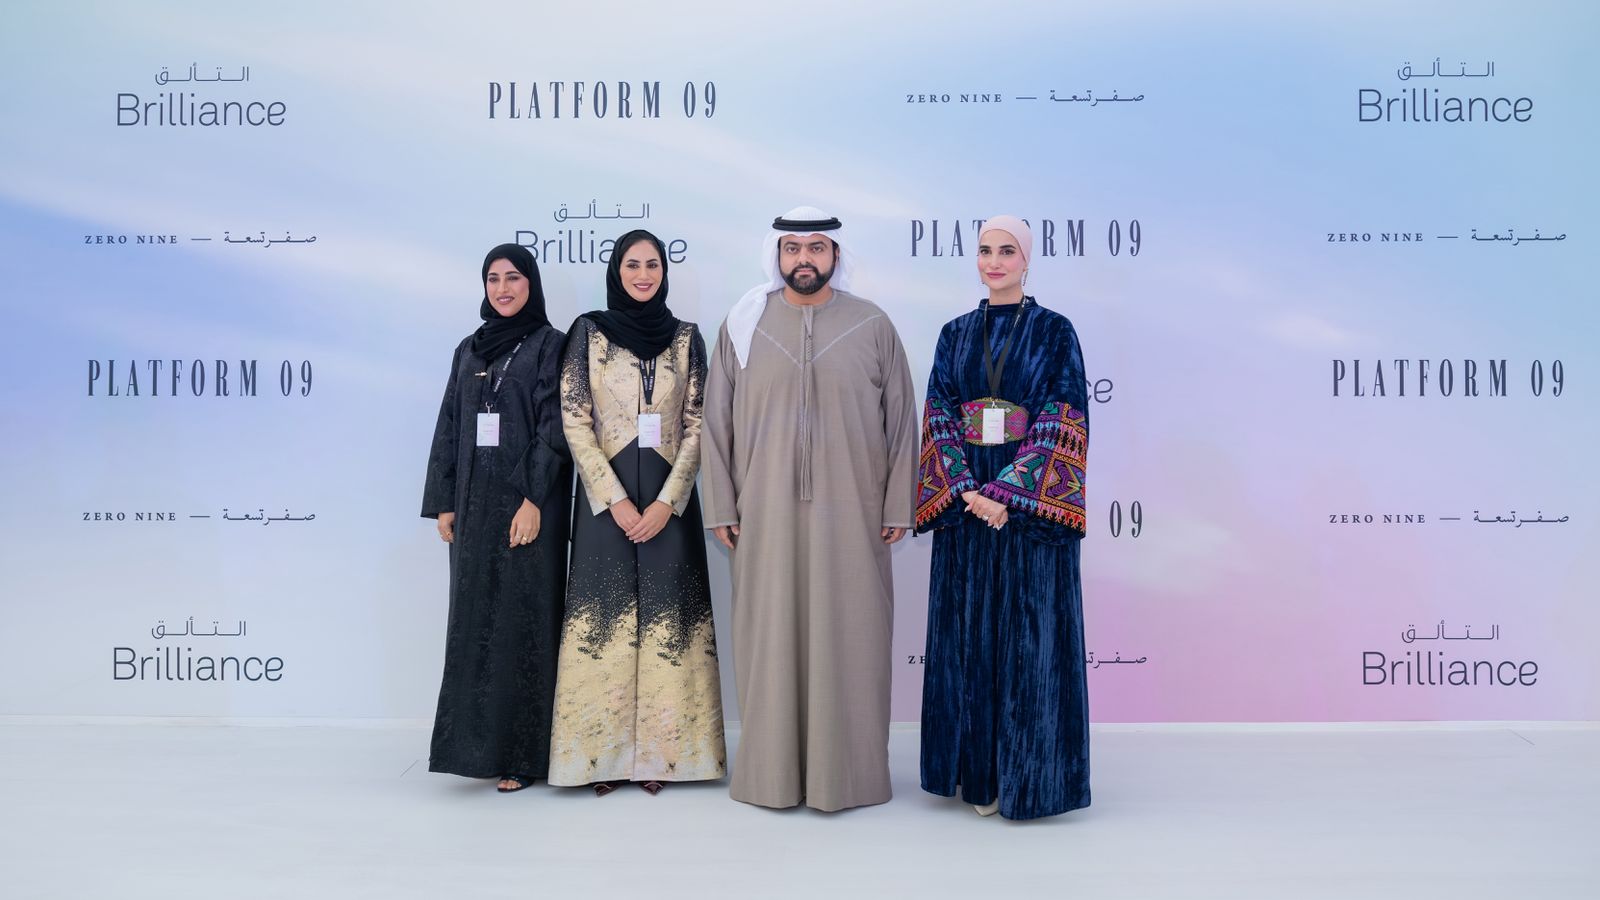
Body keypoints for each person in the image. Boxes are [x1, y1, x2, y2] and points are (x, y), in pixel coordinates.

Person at [700, 206, 919, 812]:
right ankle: (770, 776)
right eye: (793, 248)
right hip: (763, 513)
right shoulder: (743, 325)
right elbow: (715, 425)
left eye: (817, 247)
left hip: (855, 513)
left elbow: (903, 422)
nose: (804, 259)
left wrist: (898, 503)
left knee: (854, 639)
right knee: (769, 638)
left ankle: (849, 778)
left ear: (835, 256)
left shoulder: (872, 324)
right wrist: (719, 504)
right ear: (777, 255)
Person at [914, 215, 1091, 820]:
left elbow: (1063, 415)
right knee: (968, 638)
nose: (994, 261)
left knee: (1027, 639)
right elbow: (939, 412)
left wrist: (1006, 493)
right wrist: (966, 490)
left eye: (1007, 251)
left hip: (1026, 512)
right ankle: (977, 777)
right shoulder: (954, 334)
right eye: (985, 250)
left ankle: (1032, 780)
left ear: (1027, 259)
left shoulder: (1055, 331)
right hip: (969, 506)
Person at [548, 229, 727, 796]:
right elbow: (574, 420)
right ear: (616, 271)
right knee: (604, 621)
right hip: (607, 503)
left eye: (653, 264)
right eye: (632, 264)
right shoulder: (588, 333)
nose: (643, 274)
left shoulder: (687, 338)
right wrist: (617, 499)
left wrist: (669, 502)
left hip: (669, 502)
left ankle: (665, 756)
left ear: (665, 272)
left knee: (670, 622)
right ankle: (599, 757)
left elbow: (699, 424)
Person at [421, 243, 572, 794]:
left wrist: (533, 499)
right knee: (472, 624)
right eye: (493, 279)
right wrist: (444, 501)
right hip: (472, 508)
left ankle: (523, 755)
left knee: (523, 623)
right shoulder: (469, 348)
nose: (503, 289)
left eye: (513, 278)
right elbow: (449, 423)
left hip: (527, 510)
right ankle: (473, 749)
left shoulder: (552, 345)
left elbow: (555, 428)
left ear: (531, 283)